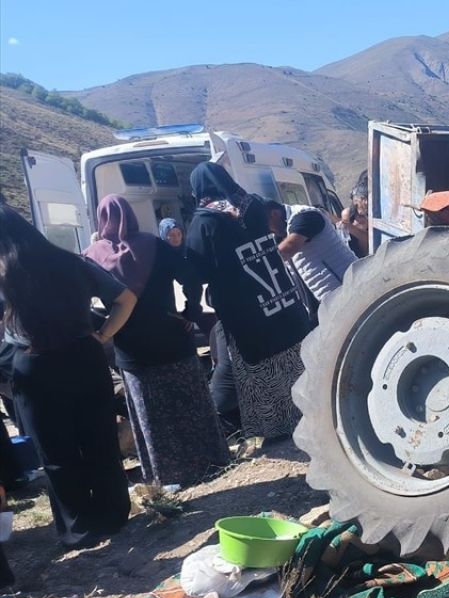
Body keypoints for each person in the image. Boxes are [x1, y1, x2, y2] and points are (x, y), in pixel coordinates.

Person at [0, 204, 137, 548]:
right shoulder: (70, 261)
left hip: (35, 365)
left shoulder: (5, 276)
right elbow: (125, 298)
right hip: (85, 357)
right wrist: (103, 335)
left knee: (56, 454)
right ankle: (114, 514)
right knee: (100, 440)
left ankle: (79, 528)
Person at [86, 196, 229, 487]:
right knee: (192, 404)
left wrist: (102, 329)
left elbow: (77, 300)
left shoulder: (91, 256)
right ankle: (211, 463)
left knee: (151, 417)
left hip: (132, 351)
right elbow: (190, 277)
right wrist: (190, 311)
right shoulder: (154, 245)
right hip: (173, 337)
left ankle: (167, 476)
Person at [185, 163, 310, 440]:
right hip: (282, 302)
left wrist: (191, 308)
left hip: (247, 314)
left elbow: (197, 271)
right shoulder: (253, 206)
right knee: (296, 361)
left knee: (262, 369)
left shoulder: (204, 222)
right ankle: (314, 415)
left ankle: (278, 432)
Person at [265, 201, 357, 305]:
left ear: (274, 214)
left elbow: (288, 248)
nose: (267, 230)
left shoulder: (305, 215)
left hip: (349, 288)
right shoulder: (281, 232)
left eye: (266, 224)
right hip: (330, 299)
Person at [339, 171, 370, 258]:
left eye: (368, 198)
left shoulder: (374, 216)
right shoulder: (348, 214)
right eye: (363, 198)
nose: (366, 202)